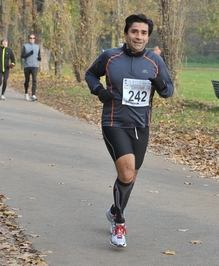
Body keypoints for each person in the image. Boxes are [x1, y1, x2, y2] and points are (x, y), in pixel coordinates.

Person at [85, 14, 174, 248]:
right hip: (114, 122)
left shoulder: (155, 61)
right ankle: (119, 222)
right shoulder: (110, 57)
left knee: (131, 175)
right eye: (135, 32)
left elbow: (169, 90)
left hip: (141, 126)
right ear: (126, 33)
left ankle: (115, 208)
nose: (139, 36)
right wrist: (98, 90)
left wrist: (162, 86)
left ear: (148, 37)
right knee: (125, 173)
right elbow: (90, 74)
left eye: (144, 33)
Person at [21, 34, 41, 101]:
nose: (32, 39)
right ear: (28, 39)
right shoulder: (25, 46)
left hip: (35, 66)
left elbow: (38, 55)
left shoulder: (37, 46)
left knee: (34, 80)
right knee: (27, 80)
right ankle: (26, 93)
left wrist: (39, 58)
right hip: (27, 66)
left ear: (35, 39)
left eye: (33, 38)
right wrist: (29, 54)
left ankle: (33, 95)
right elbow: (22, 56)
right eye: (30, 38)